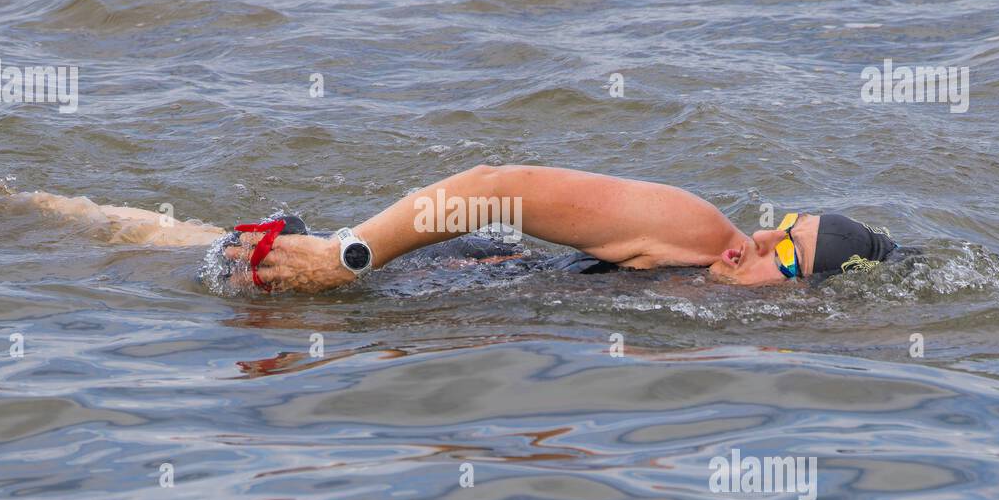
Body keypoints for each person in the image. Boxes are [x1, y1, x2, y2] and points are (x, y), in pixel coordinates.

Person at [218, 164, 898, 293]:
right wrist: (350, 257)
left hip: (441, 302)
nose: (758, 240)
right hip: (428, 267)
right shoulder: (694, 231)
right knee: (234, 265)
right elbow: (494, 188)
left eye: (785, 253)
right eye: (778, 226)